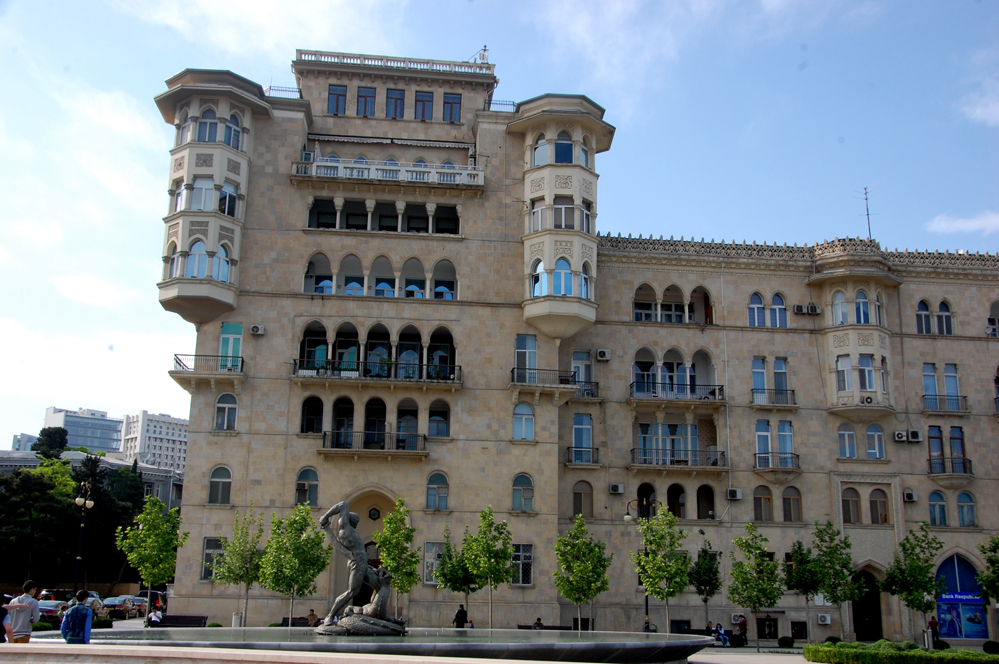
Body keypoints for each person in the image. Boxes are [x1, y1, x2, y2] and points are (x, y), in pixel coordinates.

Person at [319, 500, 383, 625]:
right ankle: (330, 616)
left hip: (363, 563)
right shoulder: (345, 529)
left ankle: (376, 614)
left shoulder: (351, 532)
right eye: (355, 520)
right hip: (357, 562)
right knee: (352, 591)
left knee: (379, 585)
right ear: (350, 520)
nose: (356, 523)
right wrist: (325, 517)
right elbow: (343, 504)